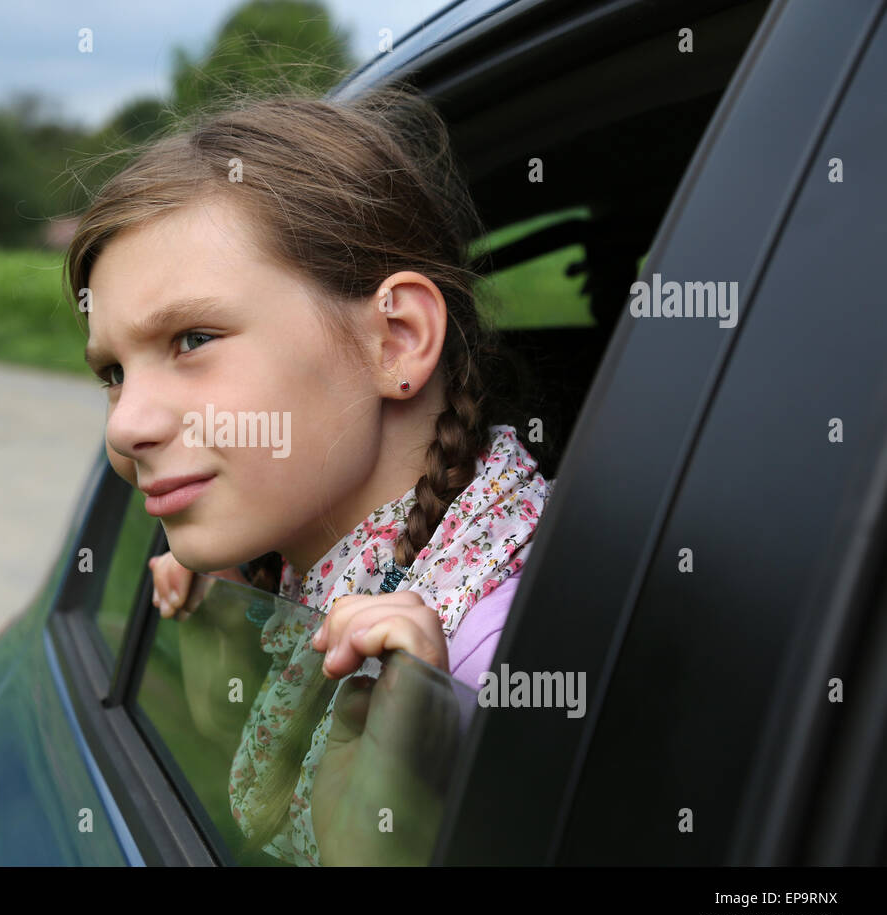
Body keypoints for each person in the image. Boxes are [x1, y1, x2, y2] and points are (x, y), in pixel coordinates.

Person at [65, 81, 554, 865]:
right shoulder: (293, 586)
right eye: (112, 372)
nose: (124, 424)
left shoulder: (494, 664)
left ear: (395, 339)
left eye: (192, 339)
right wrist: (225, 627)